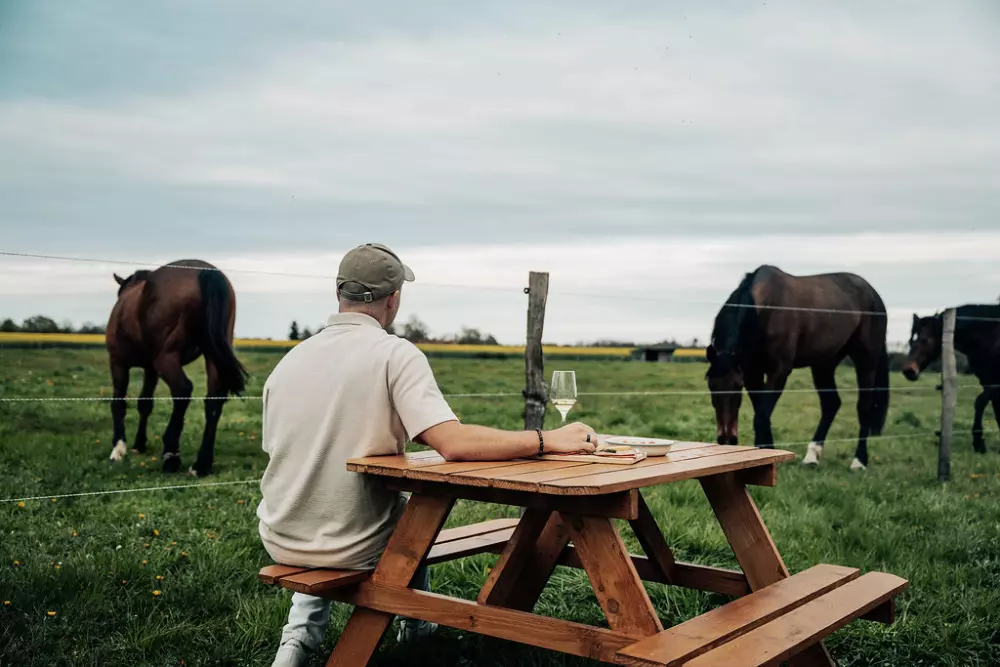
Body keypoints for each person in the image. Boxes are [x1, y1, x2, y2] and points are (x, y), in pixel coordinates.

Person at [257, 242, 598, 667]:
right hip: (353, 545)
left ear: (339, 294)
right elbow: (452, 443)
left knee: (352, 505)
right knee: (410, 514)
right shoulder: (394, 353)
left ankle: (298, 641)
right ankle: (416, 627)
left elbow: (277, 450)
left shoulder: (289, 361)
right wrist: (547, 439)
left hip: (280, 536)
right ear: (394, 299)